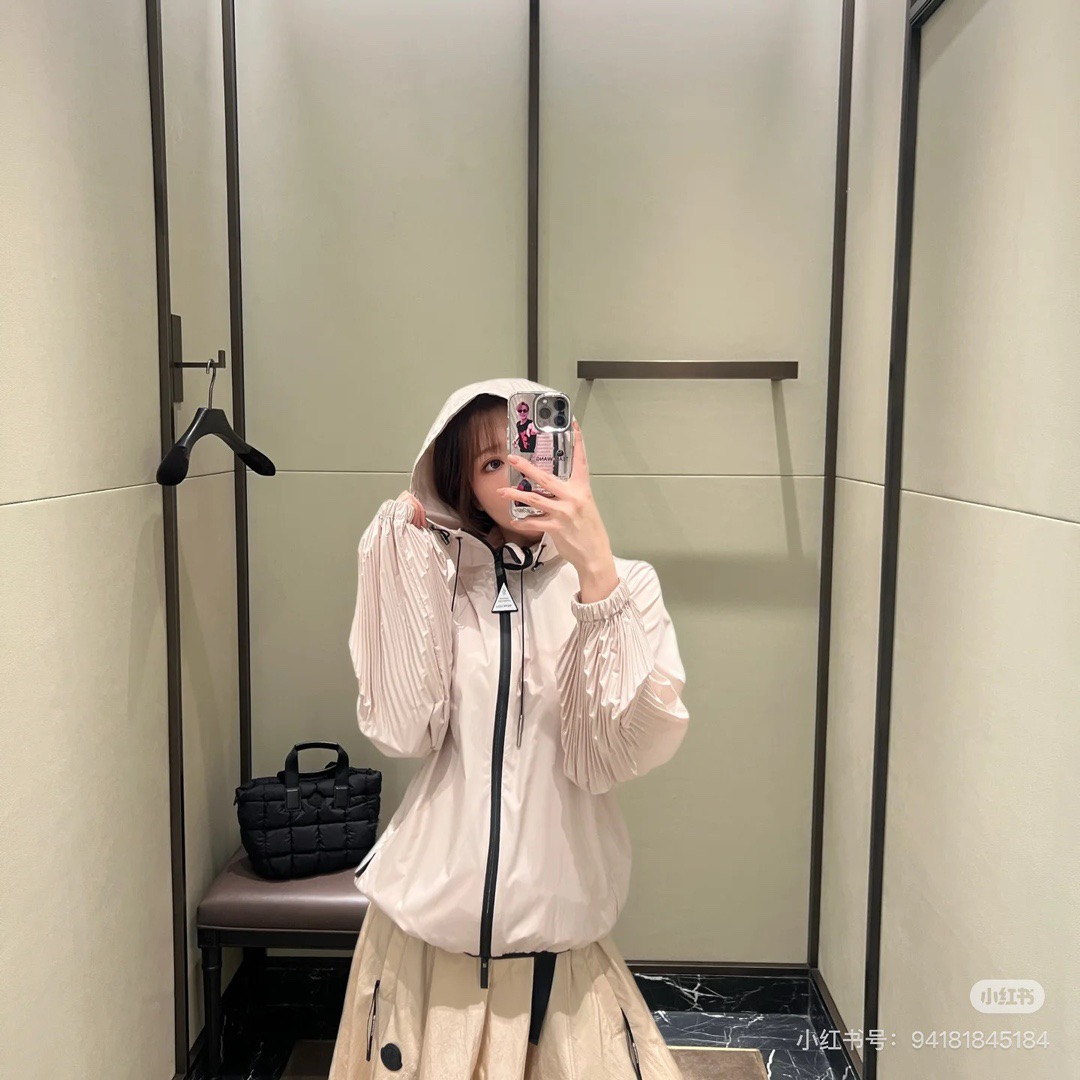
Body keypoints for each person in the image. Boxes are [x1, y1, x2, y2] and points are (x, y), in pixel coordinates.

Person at [328, 377, 690, 1079]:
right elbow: (403, 731)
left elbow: (609, 757)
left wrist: (595, 574)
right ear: (461, 484)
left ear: (570, 456)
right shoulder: (441, 584)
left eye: (531, 452)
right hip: (426, 943)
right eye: (492, 463)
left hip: (560, 950)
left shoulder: (627, 587)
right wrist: (401, 565)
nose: (519, 475)